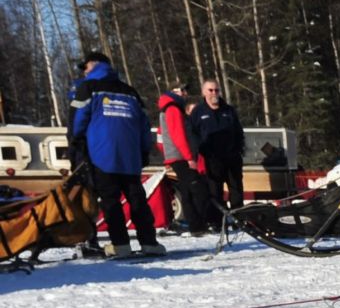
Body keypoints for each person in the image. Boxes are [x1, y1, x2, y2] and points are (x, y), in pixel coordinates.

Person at [68, 50, 165, 258]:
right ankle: (149, 243)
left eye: (84, 68)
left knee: (110, 201)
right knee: (137, 199)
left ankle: (120, 245)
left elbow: (78, 123)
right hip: (130, 157)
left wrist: (76, 146)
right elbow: (144, 125)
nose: (83, 72)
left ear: (93, 65)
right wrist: (144, 151)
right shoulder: (130, 91)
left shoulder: (88, 88)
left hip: (102, 155)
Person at [156, 83, 212, 237]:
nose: (184, 93)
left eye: (185, 90)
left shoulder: (172, 109)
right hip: (181, 156)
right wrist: (189, 157)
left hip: (178, 155)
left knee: (188, 190)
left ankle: (195, 225)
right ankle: (198, 223)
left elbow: (162, 137)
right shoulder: (172, 108)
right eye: (180, 90)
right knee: (197, 188)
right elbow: (178, 135)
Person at [190, 78, 245, 221]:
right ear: (204, 92)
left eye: (216, 90)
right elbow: (192, 134)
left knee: (236, 188)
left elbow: (239, 132)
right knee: (215, 191)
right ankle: (217, 220)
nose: (214, 93)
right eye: (210, 90)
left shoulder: (228, 110)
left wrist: (239, 149)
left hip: (232, 157)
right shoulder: (198, 112)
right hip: (211, 159)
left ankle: (239, 218)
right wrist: (199, 152)